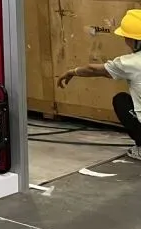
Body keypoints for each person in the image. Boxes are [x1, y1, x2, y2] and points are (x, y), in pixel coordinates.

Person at [58, 9, 141, 161]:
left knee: (121, 100)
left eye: (127, 37)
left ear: (136, 41)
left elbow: (93, 70)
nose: (125, 41)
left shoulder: (130, 63)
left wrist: (72, 72)